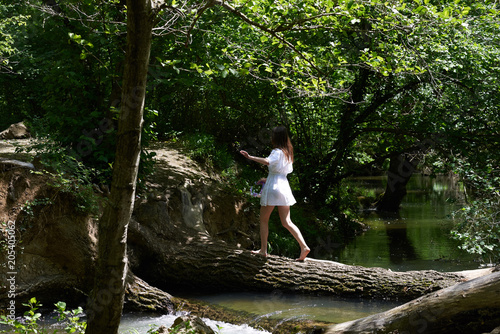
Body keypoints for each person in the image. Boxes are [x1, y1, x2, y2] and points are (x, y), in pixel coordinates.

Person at [240, 126, 310, 261]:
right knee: (287, 221)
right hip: (283, 186)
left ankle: (263, 250)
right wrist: (267, 179)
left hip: (273, 188)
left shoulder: (276, 152)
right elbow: (281, 172)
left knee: (263, 220)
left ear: (275, 137)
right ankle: (304, 246)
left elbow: (267, 162)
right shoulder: (288, 152)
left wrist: (250, 157)